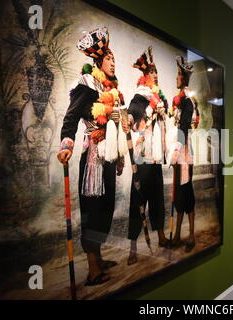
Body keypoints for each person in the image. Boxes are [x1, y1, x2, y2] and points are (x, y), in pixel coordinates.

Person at [57, 27, 128, 286]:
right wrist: (67, 144)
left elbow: (118, 126)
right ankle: (92, 268)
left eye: (114, 59)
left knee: (106, 208)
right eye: (109, 58)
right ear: (98, 61)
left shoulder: (111, 89)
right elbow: (71, 117)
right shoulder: (86, 85)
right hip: (93, 157)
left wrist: (119, 158)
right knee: (92, 209)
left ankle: (97, 257)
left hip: (109, 155)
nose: (113, 63)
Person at [126, 46, 170, 265]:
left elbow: (166, 120)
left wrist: (161, 109)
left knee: (157, 198)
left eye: (156, 72)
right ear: (144, 76)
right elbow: (131, 118)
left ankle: (161, 235)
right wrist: (140, 119)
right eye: (151, 71)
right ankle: (133, 247)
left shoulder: (159, 98)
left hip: (156, 157)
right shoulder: (139, 97)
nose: (155, 74)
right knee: (138, 201)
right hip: (142, 157)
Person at [168, 56, 200, 253]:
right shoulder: (180, 100)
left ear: (184, 78)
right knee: (179, 194)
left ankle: (191, 235)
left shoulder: (187, 101)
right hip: (179, 150)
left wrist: (177, 151)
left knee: (186, 193)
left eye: (179, 75)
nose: (177, 78)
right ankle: (178, 233)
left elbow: (185, 128)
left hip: (185, 152)